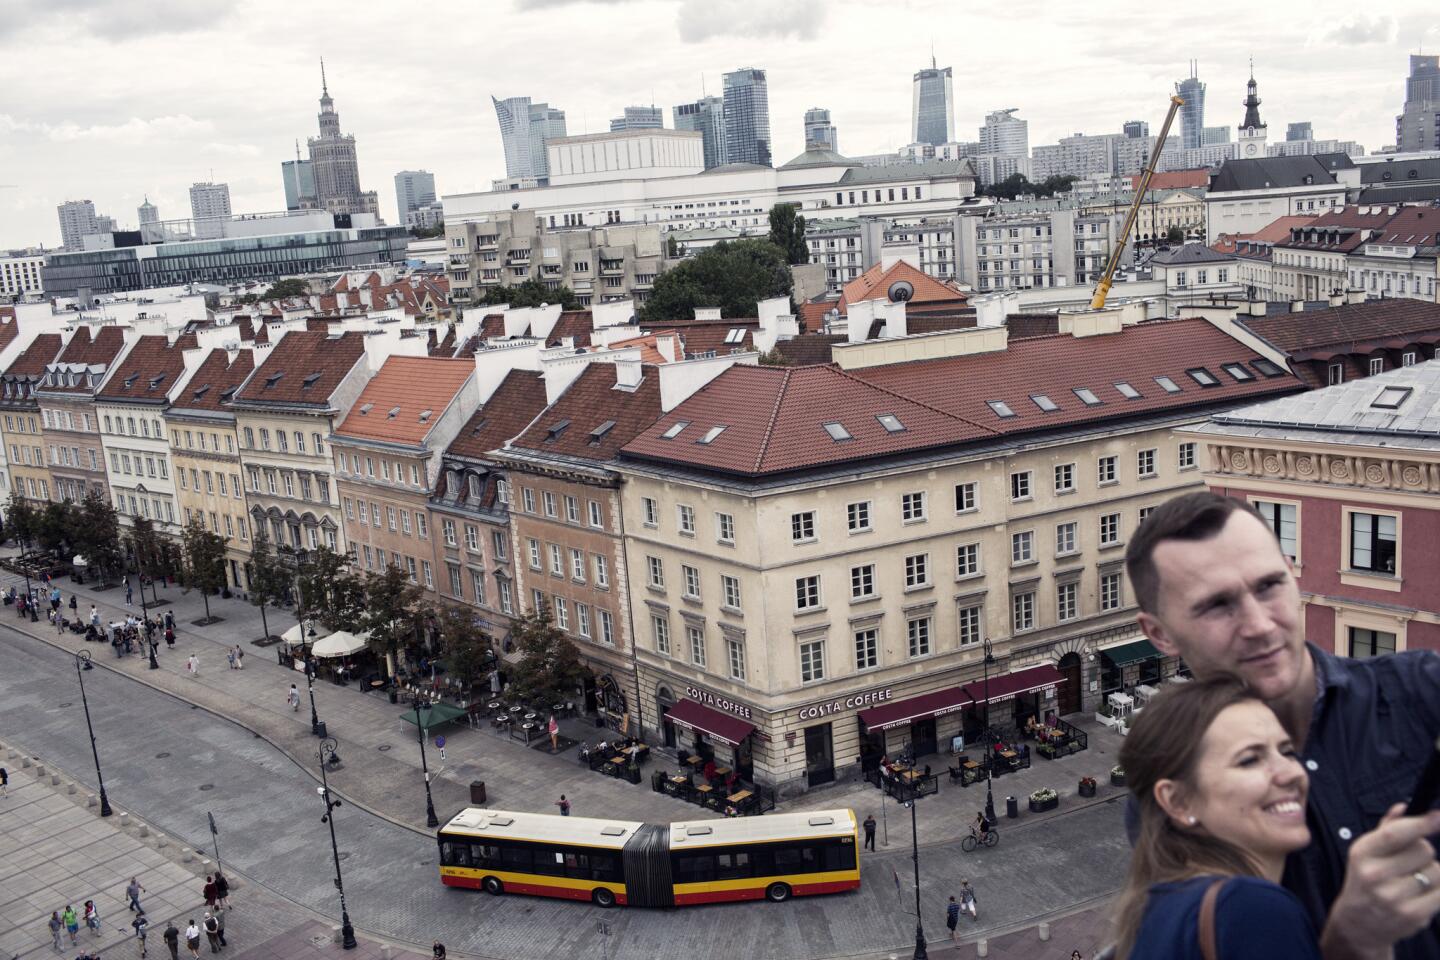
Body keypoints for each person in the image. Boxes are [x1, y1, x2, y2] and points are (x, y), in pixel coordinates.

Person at [1127, 493, 1440, 959]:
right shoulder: (1172, 779)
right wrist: (1352, 940)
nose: (1259, 624)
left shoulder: (1420, 692)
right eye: (1217, 605)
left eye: (1270, 585)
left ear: (1292, 576)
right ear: (1160, 634)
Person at [1110, 677, 1324, 959]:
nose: (1292, 772)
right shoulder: (1250, 909)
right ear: (1179, 801)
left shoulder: (1157, 910)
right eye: (1249, 759)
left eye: (1287, 751)